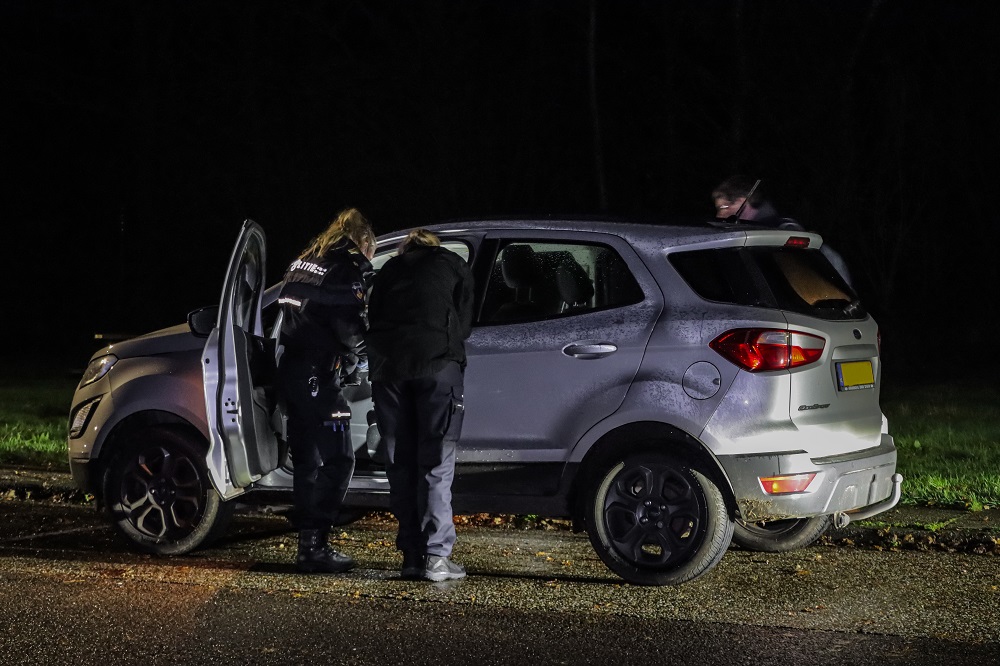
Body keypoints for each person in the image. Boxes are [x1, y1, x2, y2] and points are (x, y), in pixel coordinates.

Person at [365, 229, 475, 582]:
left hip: (390, 371)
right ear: (435, 247)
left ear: (405, 247)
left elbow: (373, 316)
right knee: (435, 461)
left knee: (400, 463)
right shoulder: (454, 264)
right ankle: (437, 558)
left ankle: (411, 557)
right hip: (437, 367)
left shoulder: (388, 271)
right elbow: (465, 322)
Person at [275, 207, 376, 574]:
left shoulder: (304, 262)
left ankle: (308, 546)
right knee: (340, 460)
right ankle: (315, 544)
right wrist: (370, 352)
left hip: (293, 370)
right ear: (363, 240)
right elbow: (349, 330)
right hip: (319, 376)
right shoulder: (343, 270)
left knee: (307, 462)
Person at [712, 175, 853, 286]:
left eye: (724, 207)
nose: (720, 214)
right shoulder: (741, 239)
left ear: (743, 201)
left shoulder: (782, 228)